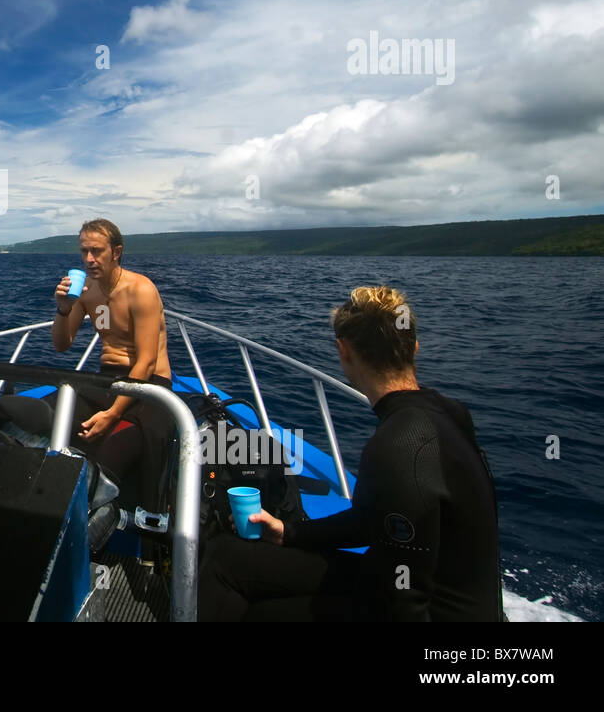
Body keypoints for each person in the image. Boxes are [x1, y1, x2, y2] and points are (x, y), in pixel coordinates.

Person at [197, 286, 503, 622]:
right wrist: (290, 532)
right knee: (225, 556)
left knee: (257, 612)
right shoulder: (449, 413)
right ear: (414, 347)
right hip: (414, 588)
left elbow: (406, 599)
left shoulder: (398, 445)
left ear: (344, 352)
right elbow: (374, 522)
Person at [51, 219, 174, 512]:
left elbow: (146, 361)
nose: (89, 259)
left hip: (149, 384)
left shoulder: (140, 290)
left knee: (112, 452)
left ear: (116, 252)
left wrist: (112, 413)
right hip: (106, 379)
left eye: (96, 251)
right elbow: (61, 344)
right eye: (84, 252)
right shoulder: (87, 291)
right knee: (46, 418)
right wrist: (63, 308)